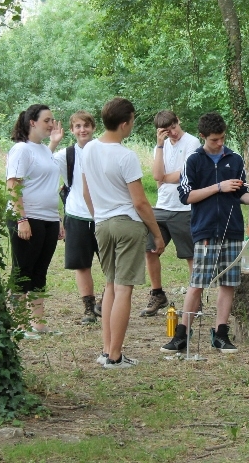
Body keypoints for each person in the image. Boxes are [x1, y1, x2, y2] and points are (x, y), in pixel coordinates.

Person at [160, 112, 249, 354]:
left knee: (228, 282)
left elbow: (240, 193)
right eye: (214, 140)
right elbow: (187, 195)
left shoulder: (235, 158)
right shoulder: (193, 160)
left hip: (231, 230)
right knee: (197, 282)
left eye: (222, 138)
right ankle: (182, 334)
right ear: (203, 137)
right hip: (206, 229)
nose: (220, 143)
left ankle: (220, 333)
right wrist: (218, 187)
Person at [81, 97, 165, 369]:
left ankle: (106, 350)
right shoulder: (125, 155)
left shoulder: (88, 149)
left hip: (102, 224)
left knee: (110, 286)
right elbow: (140, 202)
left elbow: (86, 191)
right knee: (123, 290)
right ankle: (116, 355)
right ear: (124, 123)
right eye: (132, 120)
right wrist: (157, 233)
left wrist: (99, 217)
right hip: (127, 224)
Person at [6, 104, 65, 338]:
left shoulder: (44, 150)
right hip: (27, 218)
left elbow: (46, 183)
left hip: (48, 218)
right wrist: (21, 219)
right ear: (32, 122)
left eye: (52, 120)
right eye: (47, 120)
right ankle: (19, 325)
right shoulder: (21, 149)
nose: (52, 124)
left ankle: (38, 324)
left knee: (40, 271)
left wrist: (57, 219)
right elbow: (13, 184)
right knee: (22, 270)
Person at [141, 110, 201, 317]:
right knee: (150, 250)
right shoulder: (162, 146)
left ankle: (196, 298)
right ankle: (157, 293)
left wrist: (164, 178)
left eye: (174, 127)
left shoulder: (192, 143)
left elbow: (185, 175)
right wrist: (159, 145)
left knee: (190, 255)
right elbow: (157, 174)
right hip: (162, 206)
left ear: (179, 121)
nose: (172, 133)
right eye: (167, 131)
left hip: (185, 207)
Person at [52, 111, 101, 324]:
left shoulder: (103, 150)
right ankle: (89, 307)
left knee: (113, 264)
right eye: (78, 126)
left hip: (104, 215)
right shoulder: (66, 154)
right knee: (82, 265)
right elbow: (44, 166)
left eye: (86, 125)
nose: (83, 130)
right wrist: (53, 143)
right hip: (76, 214)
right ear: (72, 130)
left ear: (93, 127)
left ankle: (106, 302)